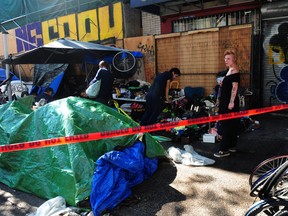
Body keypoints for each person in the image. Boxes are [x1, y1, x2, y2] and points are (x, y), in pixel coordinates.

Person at [214, 49, 240, 158]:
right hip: (226, 102)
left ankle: (224, 149)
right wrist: (222, 84)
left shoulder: (234, 70)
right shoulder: (229, 70)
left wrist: (231, 102)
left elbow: (235, 87)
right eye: (225, 58)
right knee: (232, 124)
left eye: (228, 58)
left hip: (229, 103)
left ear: (234, 59)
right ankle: (231, 146)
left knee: (225, 124)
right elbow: (229, 85)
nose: (226, 60)